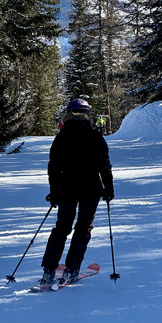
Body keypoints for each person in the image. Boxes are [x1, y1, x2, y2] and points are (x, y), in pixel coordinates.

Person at [39, 98, 115, 285]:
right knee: (83, 228)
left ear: (68, 114)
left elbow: (53, 167)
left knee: (62, 228)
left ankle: (48, 270)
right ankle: (71, 270)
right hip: (91, 189)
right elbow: (104, 165)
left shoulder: (61, 137)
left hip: (67, 188)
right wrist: (109, 188)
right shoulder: (96, 136)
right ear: (87, 115)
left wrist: (54, 191)